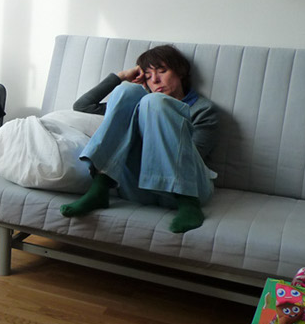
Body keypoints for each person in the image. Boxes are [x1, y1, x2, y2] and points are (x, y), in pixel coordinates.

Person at [59, 44, 219, 233]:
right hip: (138, 188)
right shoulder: (136, 104)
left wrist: (157, 114)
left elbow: (196, 154)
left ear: (180, 72)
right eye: (148, 76)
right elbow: (83, 106)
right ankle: (100, 187)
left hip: (191, 187)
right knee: (128, 91)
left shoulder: (203, 109)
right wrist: (121, 77)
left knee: (154, 101)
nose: (155, 80)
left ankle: (188, 204)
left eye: (162, 71)